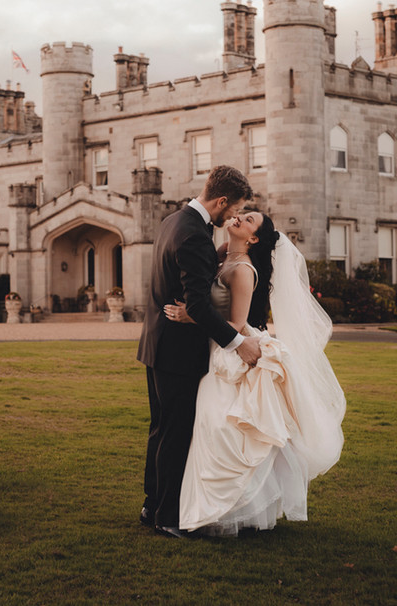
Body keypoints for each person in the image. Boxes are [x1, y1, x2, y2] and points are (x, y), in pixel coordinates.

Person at [165, 211, 346, 536]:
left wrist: (189, 316)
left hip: (229, 352)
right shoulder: (221, 257)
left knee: (221, 425)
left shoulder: (243, 270)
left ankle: (224, 510)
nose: (238, 217)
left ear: (253, 239)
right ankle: (217, 508)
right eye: (241, 213)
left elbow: (235, 324)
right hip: (213, 351)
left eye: (248, 219)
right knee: (213, 425)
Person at [136, 165, 263, 538]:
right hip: (177, 351)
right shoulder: (193, 235)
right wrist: (240, 344)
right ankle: (167, 518)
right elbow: (200, 306)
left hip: (156, 343)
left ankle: (151, 505)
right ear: (221, 201)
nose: (235, 216)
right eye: (235, 208)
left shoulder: (174, 220)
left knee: (160, 429)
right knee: (176, 433)